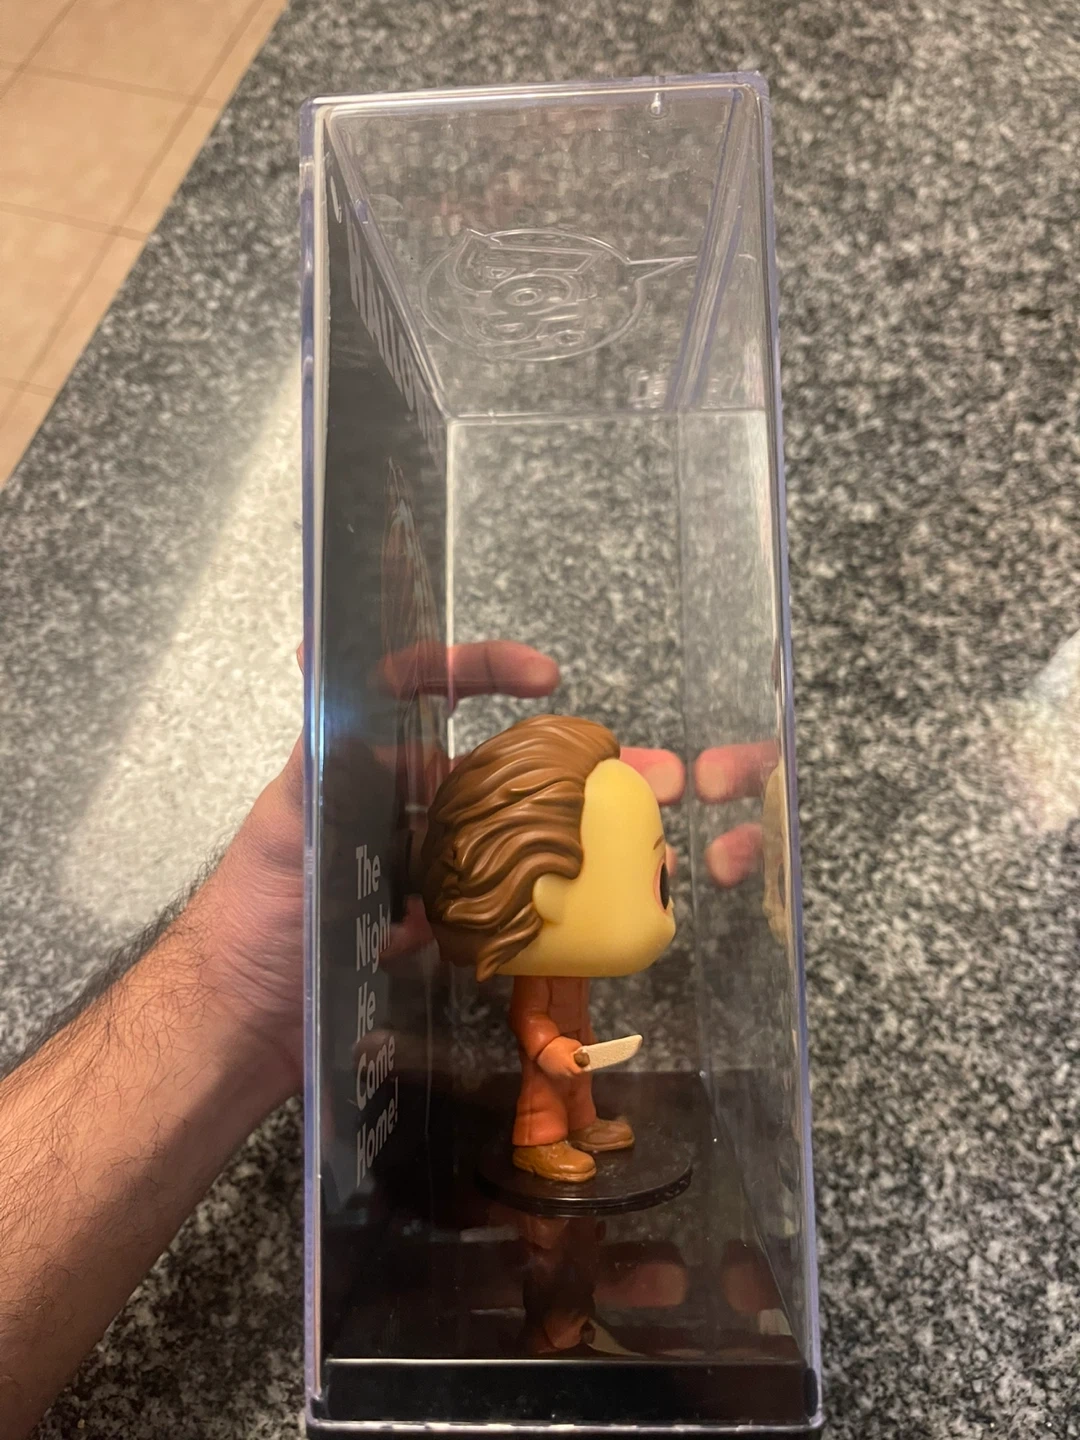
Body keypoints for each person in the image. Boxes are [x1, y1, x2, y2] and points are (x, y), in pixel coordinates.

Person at [0, 637, 778, 1437]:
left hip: (569, 1064)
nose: (666, 903)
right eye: (654, 882)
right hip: (553, 1064)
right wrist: (554, 1051)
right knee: (549, 1103)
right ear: (546, 893)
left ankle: (579, 1125)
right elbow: (530, 1021)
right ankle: (547, 1141)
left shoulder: (567, 968)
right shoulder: (540, 972)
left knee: (576, 1099)